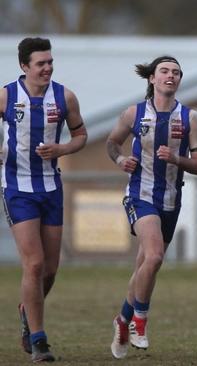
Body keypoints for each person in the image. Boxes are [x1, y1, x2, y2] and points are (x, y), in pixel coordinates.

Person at [106, 55, 197, 359]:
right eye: (164, 71)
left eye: (176, 72)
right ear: (152, 78)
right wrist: (121, 160)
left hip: (171, 200)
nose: (170, 76)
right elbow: (112, 143)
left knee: (145, 265)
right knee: (154, 256)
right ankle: (140, 321)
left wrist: (177, 159)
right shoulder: (133, 113)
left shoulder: (190, 118)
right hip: (140, 194)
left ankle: (122, 319)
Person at [0, 37, 87, 362]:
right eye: (41, 63)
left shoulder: (64, 96)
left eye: (50, 62)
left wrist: (61, 149)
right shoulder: (7, 95)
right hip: (18, 188)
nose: (47, 68)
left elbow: (81, 136)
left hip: (51, 187)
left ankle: (27, 310)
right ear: (25, 66)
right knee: (34, 264)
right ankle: (38, 340)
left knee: (50, 269)